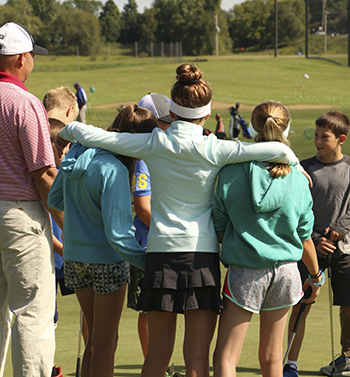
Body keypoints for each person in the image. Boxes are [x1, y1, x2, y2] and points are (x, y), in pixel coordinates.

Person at [55, 63, 305, 377]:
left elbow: (96, 136)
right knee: (197, 360)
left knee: (157, 358)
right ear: (205, 113)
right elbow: (273, 149)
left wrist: (66, 130)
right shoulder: (215, 147)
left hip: (160, 255)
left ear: (171, 112)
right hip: (202, 257)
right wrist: (296, 162)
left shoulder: (154, 143)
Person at [212, 101, 323, 377]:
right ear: (287, 127)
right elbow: (305, 238)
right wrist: (316, 276)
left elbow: (219, 227)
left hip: (245, 271)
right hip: (286, 273)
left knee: (225, 357)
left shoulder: (230, 172)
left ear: (253, 127)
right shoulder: (299, 179)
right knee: (273, 358)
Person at [48, 105, 156, 377]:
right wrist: (148, 261)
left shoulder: (76, 153)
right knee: (106, 342)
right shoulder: (115, 169)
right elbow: (118, 235)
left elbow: (54, 200)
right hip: (107, 261)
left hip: (74, 258)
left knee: (95, 341)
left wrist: (81, 220)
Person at [0, 22, 64, 377]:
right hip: (20, 218)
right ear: (22, 58)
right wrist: (69, 224)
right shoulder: (25, 103)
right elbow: (43, 173)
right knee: (32, 314)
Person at [283, 110, 350, 377]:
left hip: (345, 250)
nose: (318, 142)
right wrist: (314, 238)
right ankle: (290, 362)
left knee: (348, 307)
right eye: (317, 136)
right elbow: (296, 209)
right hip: (310, 249)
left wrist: (340, 229)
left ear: (341, 139)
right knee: (301, 305)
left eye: (325, 137)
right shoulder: (304, 168)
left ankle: (346, 358)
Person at [127, 93, 172, 359]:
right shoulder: (144, 157)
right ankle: (154, 366)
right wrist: (169, 232)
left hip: (159, 239)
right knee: (149, 310)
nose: (170, 125)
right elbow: (143, 208)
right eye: (164, 121)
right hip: (148, 243)